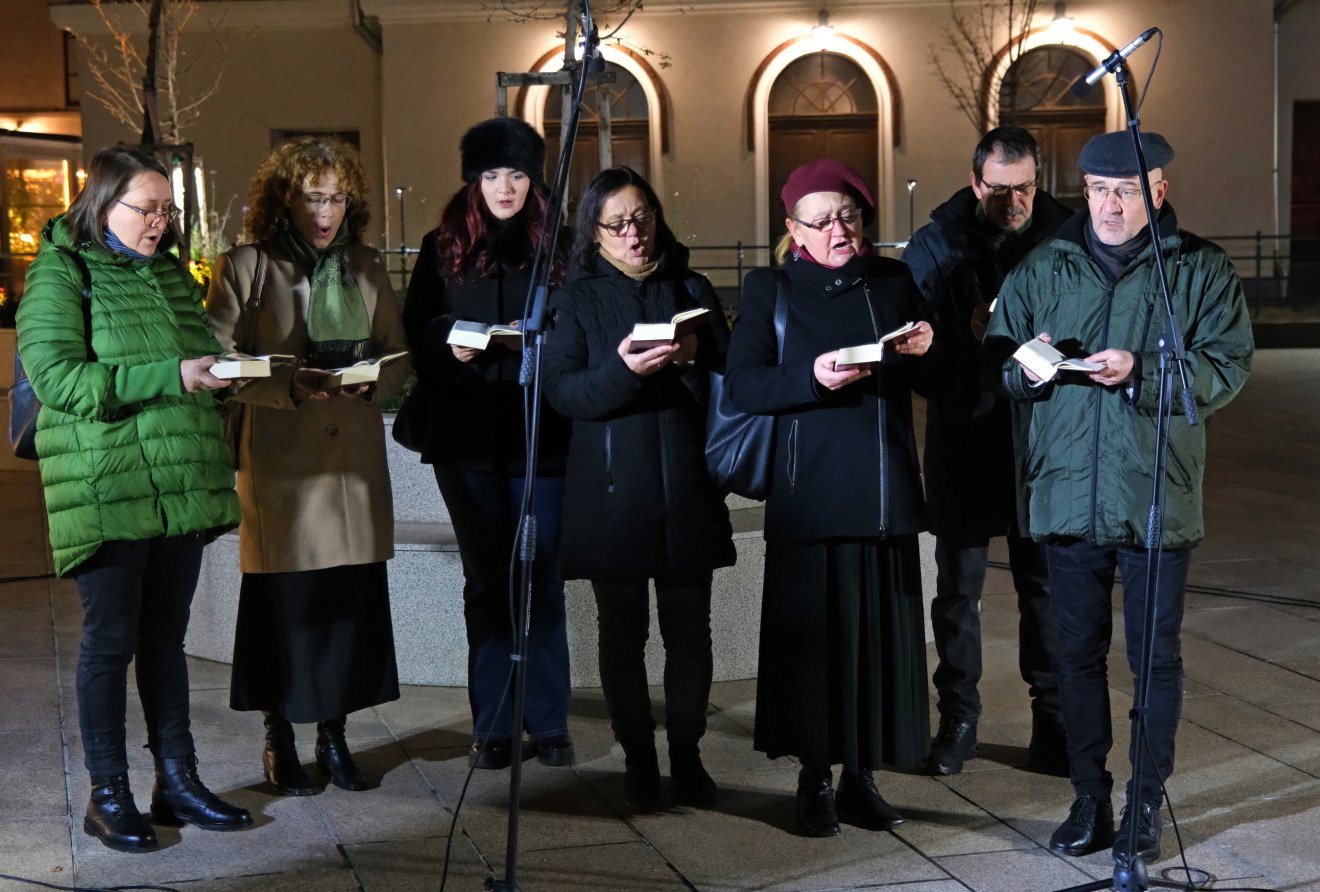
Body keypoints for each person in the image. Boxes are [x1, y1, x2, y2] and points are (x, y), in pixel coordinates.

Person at [984, 131, 1253, 864]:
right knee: (1075, 656)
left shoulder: (1197, 269)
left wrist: (1141, 373)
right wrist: (1027, 372)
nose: (1109, 205)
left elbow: (1227, 367)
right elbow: (1002, 360)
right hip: (1068, 494)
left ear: (1157, 193)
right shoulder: (1045, 265)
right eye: (1099, 190)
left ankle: (1145, 803)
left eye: (1127, 191)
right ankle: (1088, 797)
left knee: (1154, 660)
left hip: (1155, 494)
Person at [16, 144, 251, 852]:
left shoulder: (171, 272)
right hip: (105, 484)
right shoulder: (61, 270)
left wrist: (230, 377)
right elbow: (59, 379)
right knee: (109, 643)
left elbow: (194, 364)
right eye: (147, 209)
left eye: (168, 211)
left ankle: (177, 782)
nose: (159, 222)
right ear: (102, 203)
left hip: (176, 481)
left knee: (164, 639)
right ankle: (108, 794)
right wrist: (173, 376)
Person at [723, 159, 935, 837]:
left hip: (881, 490)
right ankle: (814, 776)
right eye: (820, 222)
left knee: (876, 642)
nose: (839, 230)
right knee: (814, 648)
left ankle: (861, 777)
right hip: (808, 492)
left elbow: (935, 377)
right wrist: (812, 377)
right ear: (794, 230)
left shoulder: (893, 281)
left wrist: (928, 350)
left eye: (848, 215)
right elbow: (744, 384)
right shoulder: (772, 288)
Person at [206, 136, 408, 797]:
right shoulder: (247, 266)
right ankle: (279, 737)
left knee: (347, 609)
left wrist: (373, 381)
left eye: (337, 198)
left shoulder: (365, 265)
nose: (326, 212)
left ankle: (335, 737)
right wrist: (286, 383)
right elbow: (217, 362)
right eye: (313, 198)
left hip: (351, 466)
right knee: (285, 612)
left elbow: (398, 353)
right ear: (285, 199)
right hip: (283, 470)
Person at [541, 166, 735, 812]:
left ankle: (687, 752)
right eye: (618, 223)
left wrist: (693, 357)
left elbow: (731, 374)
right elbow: (563, 392)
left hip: (687, 488)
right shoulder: (576, 299)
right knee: (622, 637)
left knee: (690, 635)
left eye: (643, 217)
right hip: (612, 496)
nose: (634, 233)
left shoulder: (689, 286)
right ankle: (639, 757)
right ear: (594, 233)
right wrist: (623, 370)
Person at [402, 117, 574, 770]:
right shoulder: (442, 245)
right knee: (487, 582)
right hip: (467, 437)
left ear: (535, 180)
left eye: (518, 174)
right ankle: (495, 723)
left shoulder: (560, 245)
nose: (505, 187)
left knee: (544, 578)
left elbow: (581, 326)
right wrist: (453, 346)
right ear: (473, 179)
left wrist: (549, 339)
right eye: (492, 174)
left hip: (543, 435)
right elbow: (417, 333)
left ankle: (549, 721)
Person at [901, 126, 1072, 777]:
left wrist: (1050, 345)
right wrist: (964, 336)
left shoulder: (1068, 236)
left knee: (1044, 589)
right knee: (958, 591)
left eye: (1024, 187)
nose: (1013, 202)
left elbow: (1095, 327)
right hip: (965, 436)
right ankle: (959, 718)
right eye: (999, 190)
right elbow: (913, 350)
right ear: (976, 184)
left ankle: (1052, 721)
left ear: (1038, 181)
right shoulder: (937, 243)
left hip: (1042, 439)